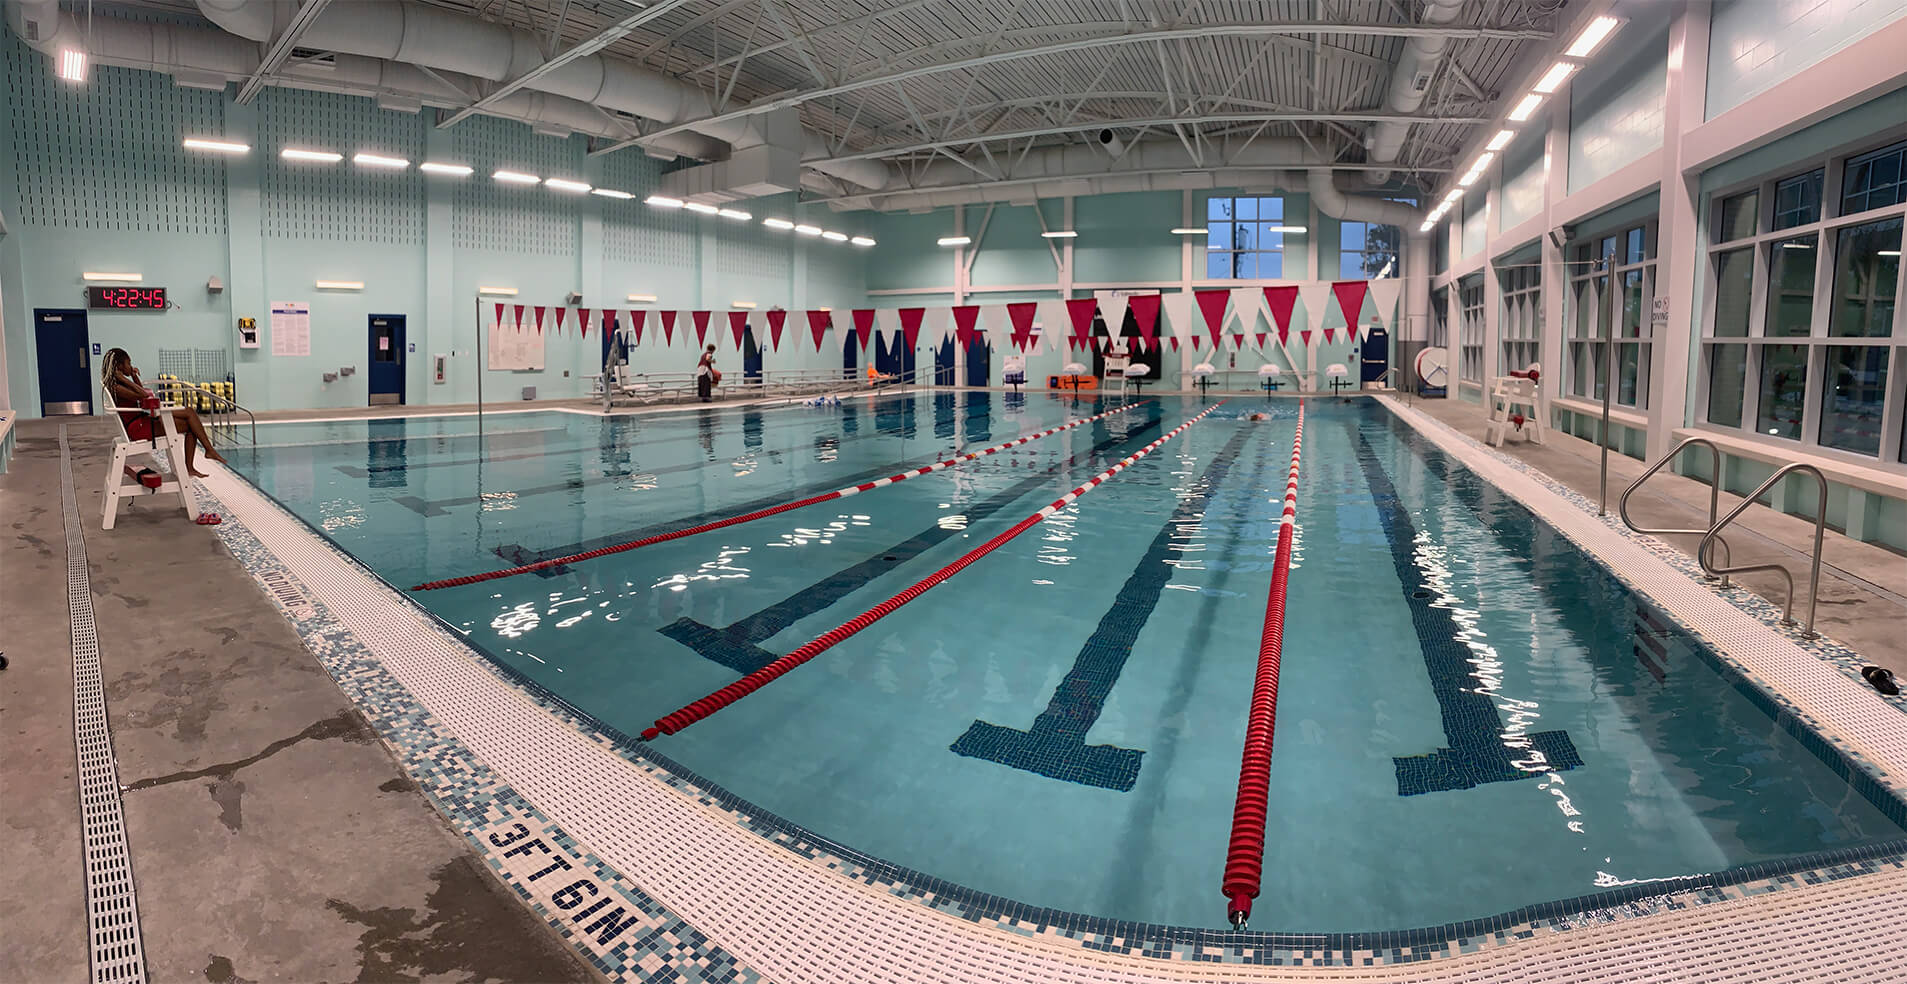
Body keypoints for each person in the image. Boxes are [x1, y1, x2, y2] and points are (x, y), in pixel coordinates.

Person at [101, 348, 226, 478]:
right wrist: (125, 379)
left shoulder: (118, 385)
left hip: (142, 422)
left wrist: (133, 376)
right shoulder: (117, 387)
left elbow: (142, 393)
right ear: (119, 366)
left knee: (190, 413)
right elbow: (144, 395)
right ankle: (204, 454)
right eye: (128, 363)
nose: (131, 366)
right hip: (139, 429)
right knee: (191, 423)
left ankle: (204, 454)